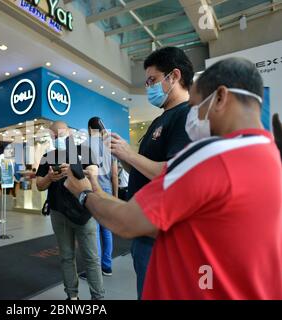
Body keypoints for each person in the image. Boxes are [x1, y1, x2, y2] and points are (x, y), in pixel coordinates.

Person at [65, 57, 282, 299]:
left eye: (197, 106)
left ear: (220, 98)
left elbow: (127, 221)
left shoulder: (211, 156)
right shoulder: (269, 153)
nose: (194, 116)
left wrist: (83, 192)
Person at [108, 47, 193, 299]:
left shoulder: (188, 114)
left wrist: (130, 154)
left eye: (152, 80)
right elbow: (141, 170)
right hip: (143, 231)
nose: (148, 87)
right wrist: (122, 156)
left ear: (174, 76)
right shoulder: (160, 120)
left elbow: (175, 172)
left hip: (163, 237)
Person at [36, 121, 104, 300]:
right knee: (66, 257)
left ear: (71, 133)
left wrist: (75, 171)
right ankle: (72, 297)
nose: (58, 138)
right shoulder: (47, 157)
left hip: (84, 213)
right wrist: (50, 177)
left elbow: (93, 183)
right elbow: (39, 185)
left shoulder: (86, 152)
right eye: (55, 136)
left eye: (61, 134)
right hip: (58, 214)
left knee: (91, 258)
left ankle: (98, 298)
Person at [81, 117, 118, 278]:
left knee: (93, 231)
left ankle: (94, 270)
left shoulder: (85, 145)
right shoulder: (109, 145)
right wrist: (115, 196)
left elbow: (81, 172)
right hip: (108, 190)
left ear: (89, 129)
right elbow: (115, 174)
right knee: (107, 230)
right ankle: (107, 266)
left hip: (93, 190)